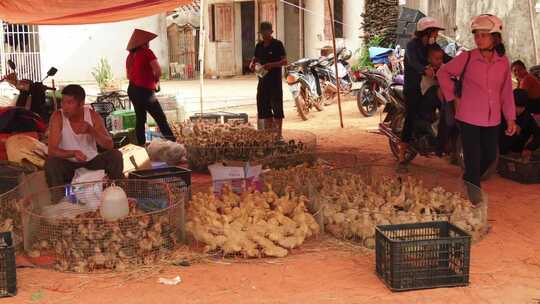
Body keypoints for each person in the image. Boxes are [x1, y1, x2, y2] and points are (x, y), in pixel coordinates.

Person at [438, 14, 516, 203]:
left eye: (484, 35)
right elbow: (443, 72)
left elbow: (506, 91)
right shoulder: (467, 57)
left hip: (492, 119)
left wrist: (510, 118)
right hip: (468, 117)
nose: (478, 39)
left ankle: (469, 179)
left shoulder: (503, 62)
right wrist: (453, 98)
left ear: (495, 37)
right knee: (473, 160)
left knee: (490, 157)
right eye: (476, 35)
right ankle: (475, 200)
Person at [45, 84, 124, 187]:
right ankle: (58, 199)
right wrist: (73, 153)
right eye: (63, 102)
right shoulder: (57, 117)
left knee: (115, 155)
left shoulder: (92, 115)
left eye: (69, 103)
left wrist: (92, 131)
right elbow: (52, 151)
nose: (64, 107)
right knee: (51, 163)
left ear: (81, 103)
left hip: (92, 162)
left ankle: (114, 190)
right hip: (68, 164)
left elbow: (109, 145)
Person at [400, 17, 451, 164]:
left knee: (443, 97)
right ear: (425, 33)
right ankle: (402, 151)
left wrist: (464, 64)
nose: (436, 36)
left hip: (429, 87)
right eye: (434, 33)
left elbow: (446, 58)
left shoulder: (432, 46)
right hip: (413, 89)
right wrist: (423, 70)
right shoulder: (411, 46)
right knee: (410, 117)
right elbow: (413, 61)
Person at [126, 29, 175, 146]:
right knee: (160, 118)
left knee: (140, 119)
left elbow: (128, 75)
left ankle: (141, 145)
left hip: (132, 89)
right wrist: (155, 81)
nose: (148, 43)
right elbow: (158, 70)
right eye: (147, 41)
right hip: (145, 92)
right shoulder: (147, 52)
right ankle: (173, 143)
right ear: (142, 43)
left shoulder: (129, 57)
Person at [250, 22, 287, 137]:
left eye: (266, 32)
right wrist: (252, 64)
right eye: (262, 33)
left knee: (277, 108)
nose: (264, 35)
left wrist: (272, 65)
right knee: (263, 108)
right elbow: (255, 59)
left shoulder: (277, 44)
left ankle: (279, 134)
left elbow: (284, 61)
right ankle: (270, 133)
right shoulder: (259, 46)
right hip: (262, 81)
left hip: (275, 82)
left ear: (271, 32)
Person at [500, 89, 540, 161]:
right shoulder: (502, 113)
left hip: (516, 154)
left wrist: (529, 148)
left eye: (521, 107)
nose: (518, 110)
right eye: (516, 106)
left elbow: (538, 134)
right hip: (499, 151)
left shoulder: (527, 117)